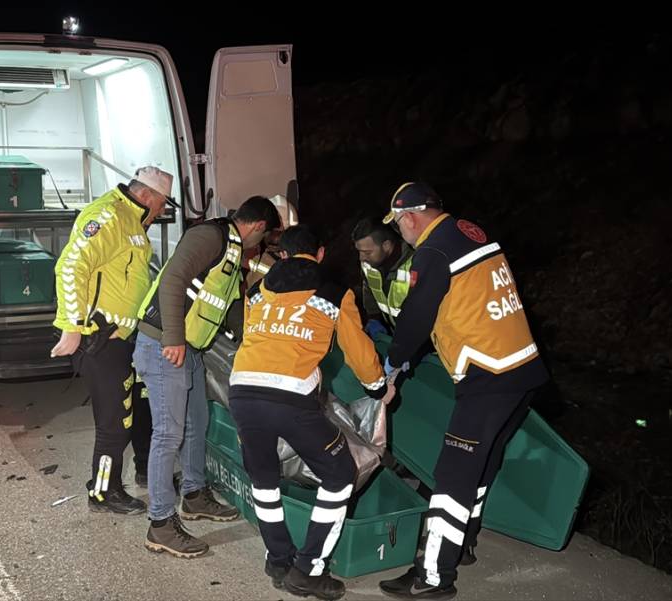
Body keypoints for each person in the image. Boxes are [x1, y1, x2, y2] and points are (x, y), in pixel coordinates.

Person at [376, 182, 548, 600]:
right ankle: (463, 543)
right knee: (481, 465)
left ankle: (433, 576)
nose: (401, 234)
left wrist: (393, 365)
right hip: (523, 370)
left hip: (488, 375)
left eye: (398, 226)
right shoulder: (471, 232)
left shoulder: (433, 252)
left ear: (411, 217)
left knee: (452, 476)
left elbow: (417, 317)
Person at [229, 224, 395, 600]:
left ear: (282, 255)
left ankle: (278, 560)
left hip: (242, 390)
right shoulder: (335, 292)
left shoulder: (257, 291)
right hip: (290, 398)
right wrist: (380, 388)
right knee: (339, 473)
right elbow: (359, 352)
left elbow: (254, 337)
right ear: (320, 254)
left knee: (264, 477)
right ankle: (309, 569)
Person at [135, 196, 282, 558]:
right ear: (259, 227)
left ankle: (195, 495)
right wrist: (172, 338)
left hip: (191, 349)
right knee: (168, 433)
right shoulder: (210, 237)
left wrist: (262, 343)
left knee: (195, 423)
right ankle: (161, 523)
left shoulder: (232, 252)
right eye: (264, 238)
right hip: (165, 345)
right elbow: (172, 279)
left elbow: (230, 310)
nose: (261, 247)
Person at [49, 166, 172, 515]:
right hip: (100, 340)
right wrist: (72, 326)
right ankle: (103, 492)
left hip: (122, 339)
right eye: (162, 203)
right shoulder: (108, 215)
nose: (162, 210)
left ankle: (115, 483)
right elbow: (71, 265)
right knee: (114, 425)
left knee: (126, 417)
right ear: (147, 195)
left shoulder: (132, 221)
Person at [351, 217, 413, 335]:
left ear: (386, 245)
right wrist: (374, 318)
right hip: (393, 334)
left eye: (367, 252)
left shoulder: (416, 265)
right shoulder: (368, 264)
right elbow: (369, 292)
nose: (361, 258)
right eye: (359, 251)